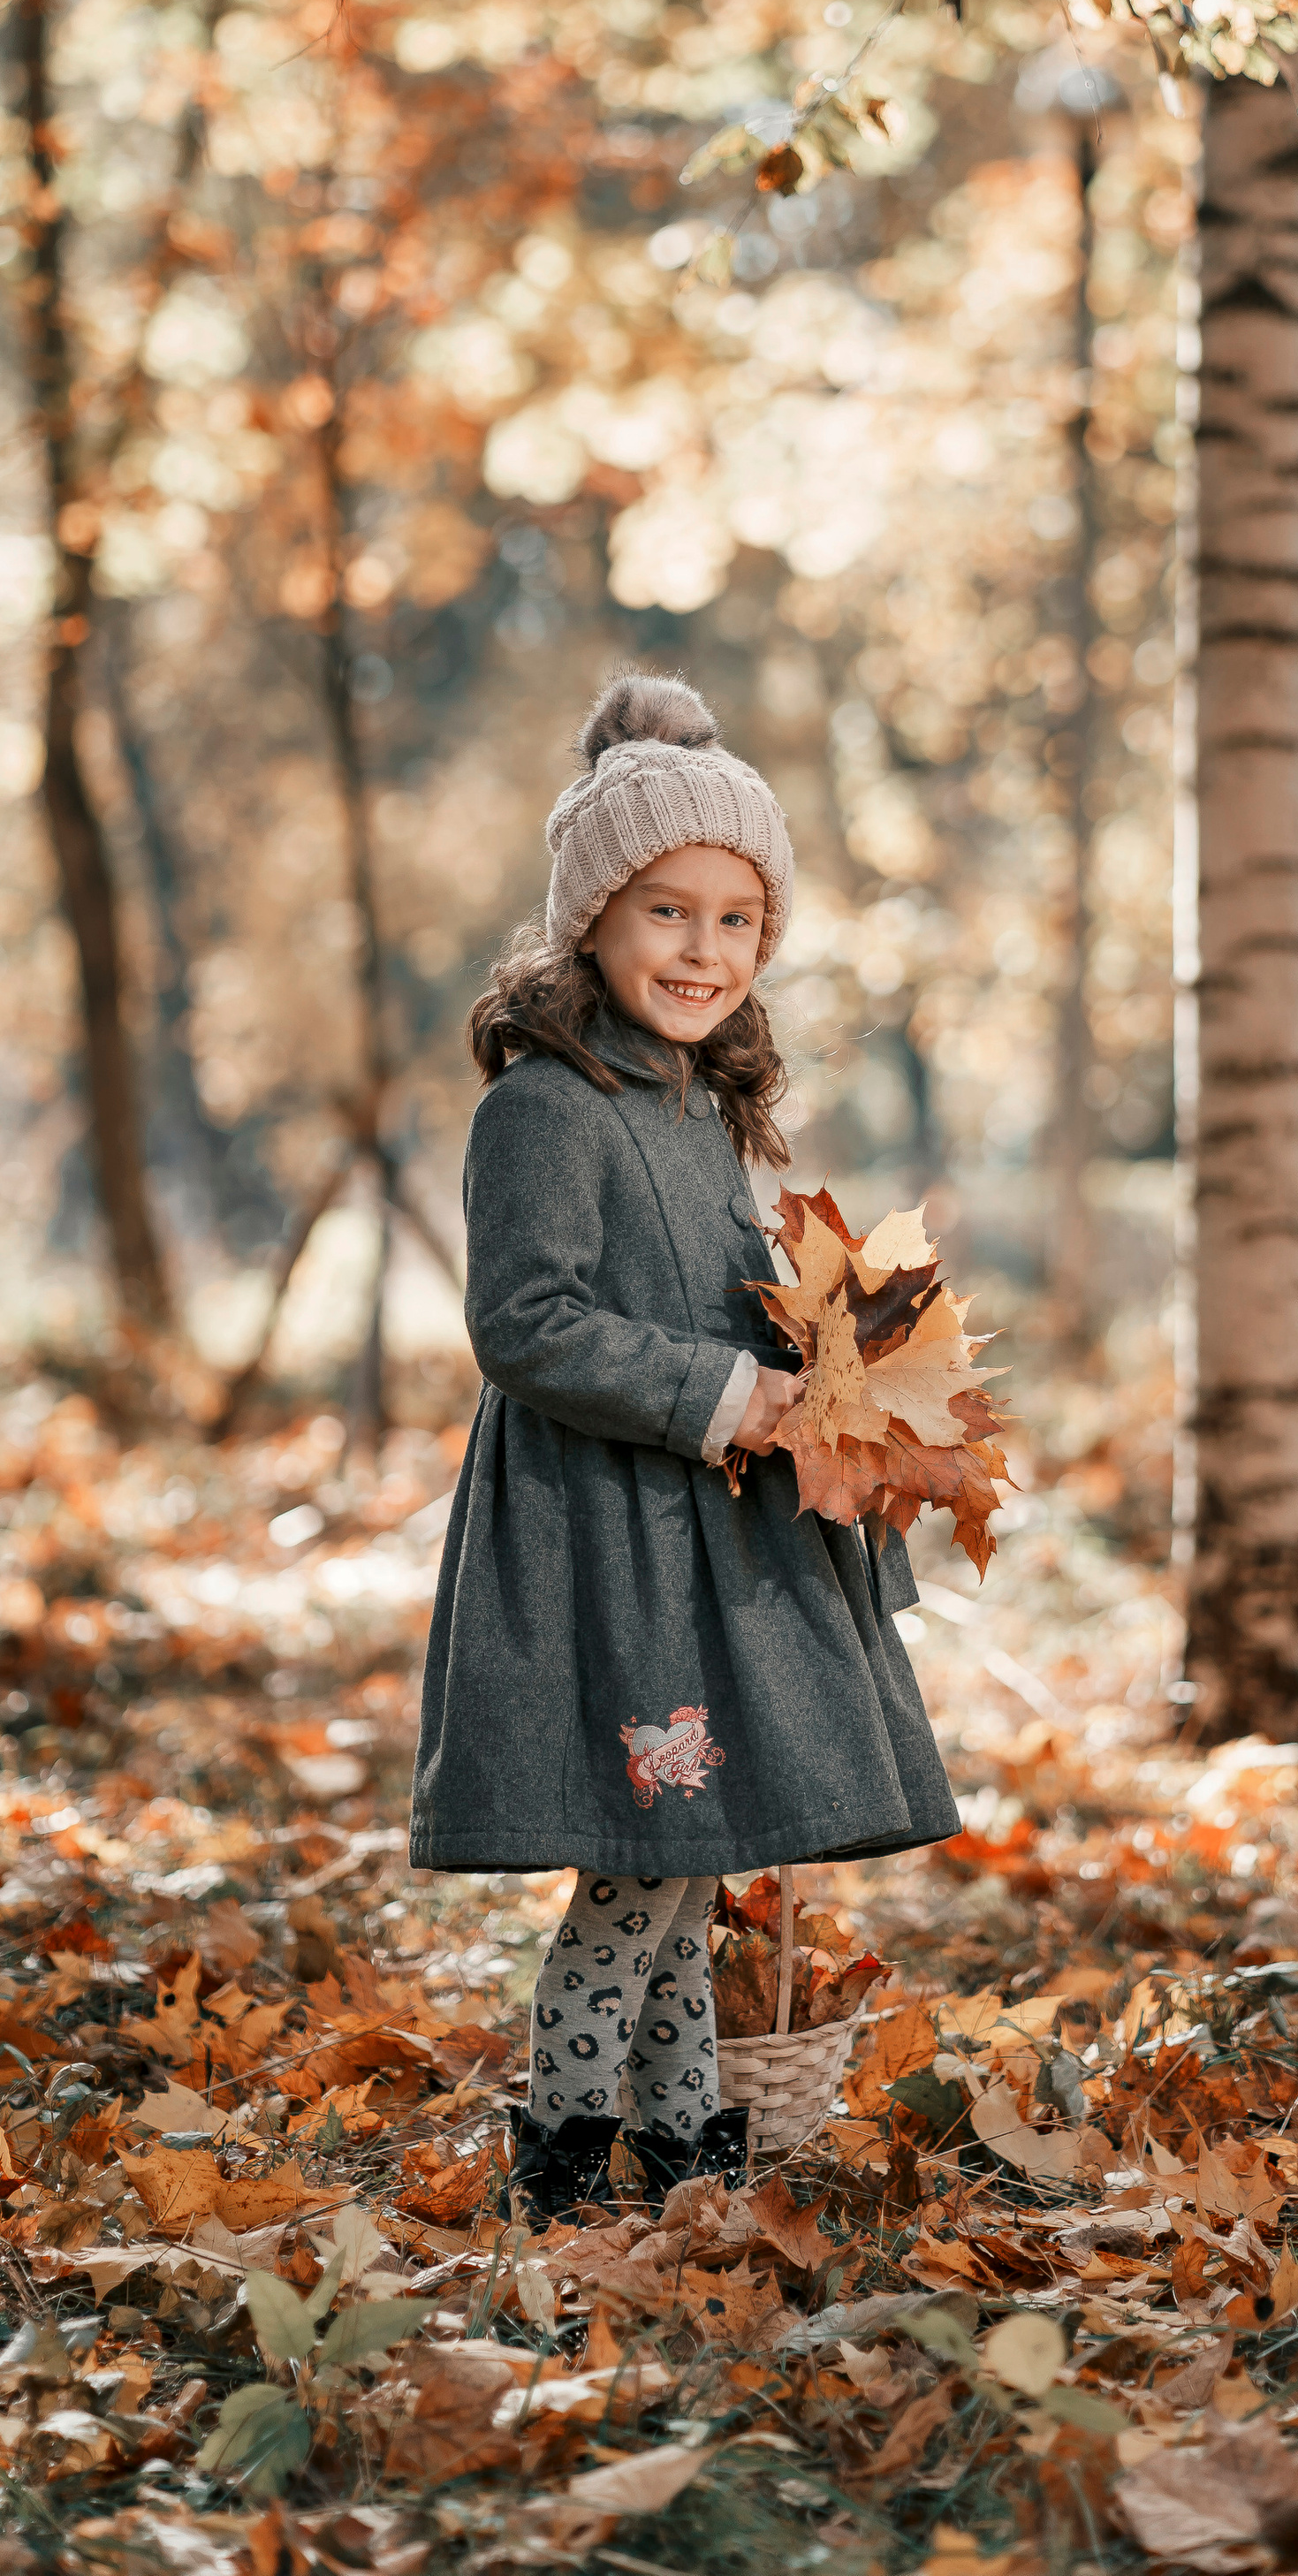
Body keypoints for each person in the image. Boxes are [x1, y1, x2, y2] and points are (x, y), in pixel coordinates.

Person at [410, 672, 958, 2223]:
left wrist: (832, 1351)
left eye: (736, 921)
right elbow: (528, 1323)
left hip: (708, 1542)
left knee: (690, 1861)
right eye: (667, 913)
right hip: (610, 1541)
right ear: (591, 919)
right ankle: (568, 2166)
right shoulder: (546, 1108)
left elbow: (717, 1297)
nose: (703, 952)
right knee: (641, 1869)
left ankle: (690, 2146)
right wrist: (730, 1395)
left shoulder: (697, 1107)